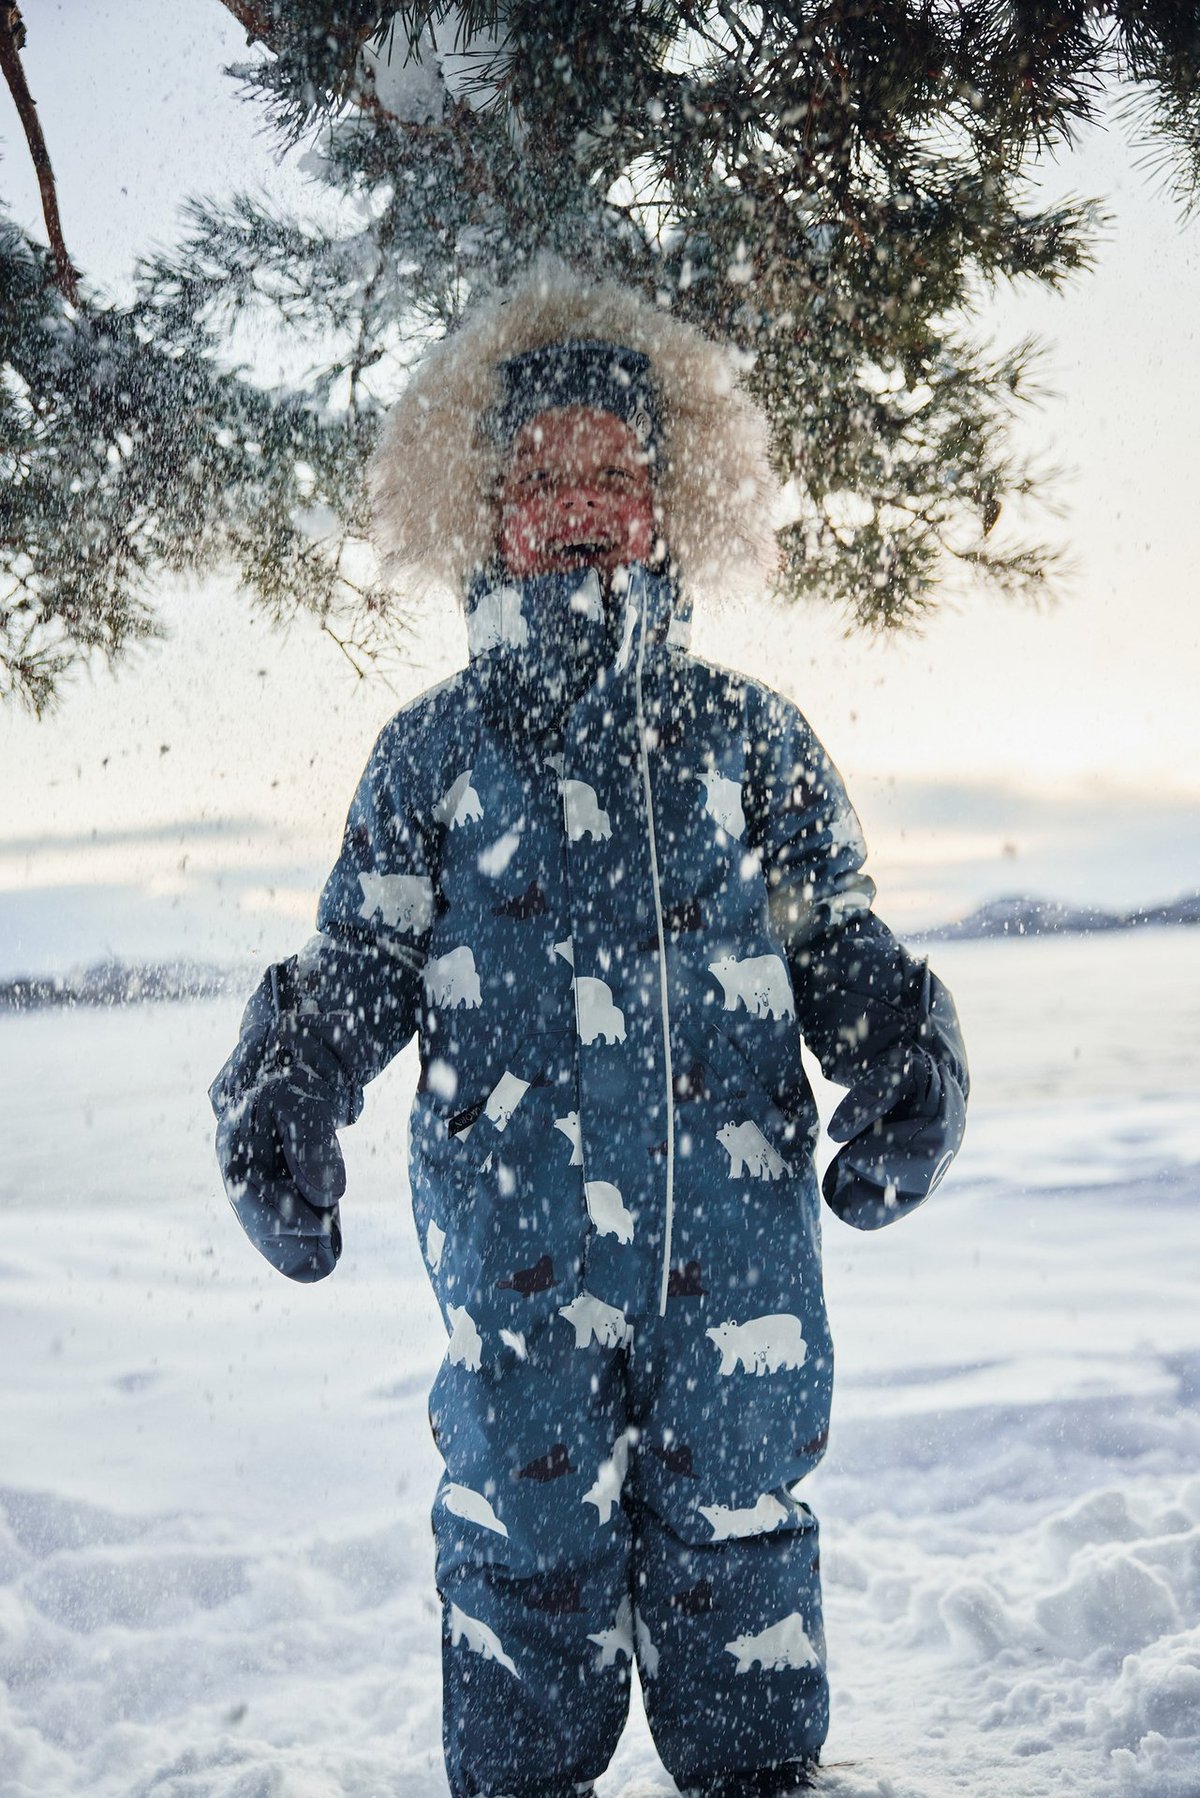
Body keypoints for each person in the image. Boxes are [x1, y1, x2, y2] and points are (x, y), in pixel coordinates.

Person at [209, 262, 969, 1798]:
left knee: (740, 1527)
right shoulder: (434, 755)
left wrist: (904, 1047)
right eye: (541, 476)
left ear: (665, 506)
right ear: (486, 511)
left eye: (612, 473)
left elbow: (834, 939)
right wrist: (288, 1082)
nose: (578, 503)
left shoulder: (749, 740)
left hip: (735, 1260)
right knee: (521, 1542)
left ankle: (758, 1775)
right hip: (519, 1268)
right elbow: (359, 958)